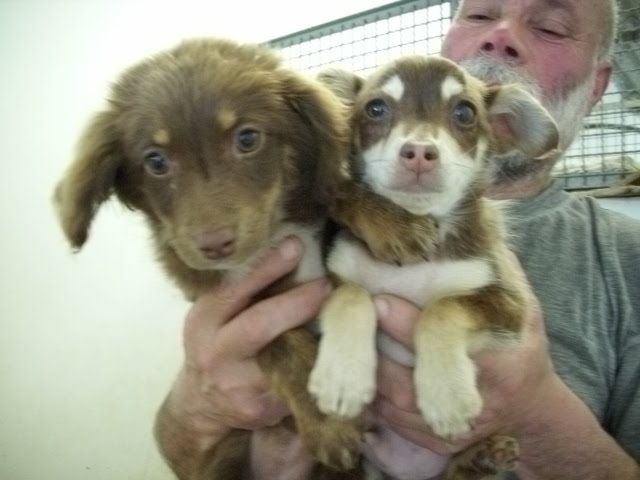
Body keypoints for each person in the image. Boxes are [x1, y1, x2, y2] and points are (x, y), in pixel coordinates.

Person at [154, 0, 640, 478]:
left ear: (599, 83)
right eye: (480, 14)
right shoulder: (314, 221)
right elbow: (184, 447)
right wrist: (199, 411)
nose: (501, 35)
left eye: (551, 27)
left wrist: (535, 416)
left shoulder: (625, 259)